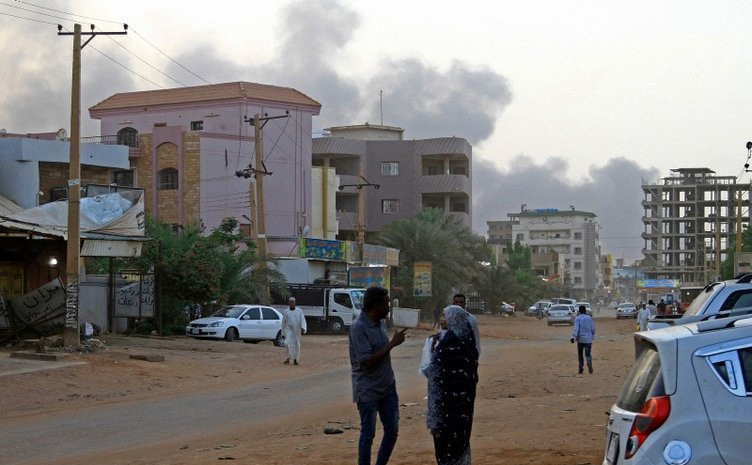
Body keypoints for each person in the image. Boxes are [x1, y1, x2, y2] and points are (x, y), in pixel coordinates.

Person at [349, 286, 406, 465]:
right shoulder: (358, 328)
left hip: (387, 387)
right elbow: (366, 362)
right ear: (375, 305)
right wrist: (392, 344)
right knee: (368, 435)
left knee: (392, 430)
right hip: (367, 391)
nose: (388, 307)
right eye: (386, 303)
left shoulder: (381, 323)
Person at [424, 305, 479, 465]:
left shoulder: (448, 345)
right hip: (464, 408)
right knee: (461, 443)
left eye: (445, 316)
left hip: (448, 408)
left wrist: (434, 415)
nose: (442, 319)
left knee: (447, 449)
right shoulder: (468, 341)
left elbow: (436, 381)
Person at [570, 305, 596, 374]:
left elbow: (576, 328)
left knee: (580, 355)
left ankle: (581, 369)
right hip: (588, 340)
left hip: (580, 340)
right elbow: (593, 328)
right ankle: (589, 362)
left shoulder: (577, 318)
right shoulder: (589, 318)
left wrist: (573, 337)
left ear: (579, 311)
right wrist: (592, 334)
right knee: (588, 354)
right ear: (585, 311)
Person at [281, 297, 307, 365]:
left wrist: (303, 328)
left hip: (297, 330)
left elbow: (303, 320)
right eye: (291, 302)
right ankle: (288, 358)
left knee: (296, 345)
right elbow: (283, 323)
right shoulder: (286, 311)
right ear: (289, 303)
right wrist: (283, 333)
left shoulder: (299, 311)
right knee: (287, 343)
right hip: (288, 330)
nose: (292, 303)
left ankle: (296, 359)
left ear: (295, 303)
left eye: (293, 302)